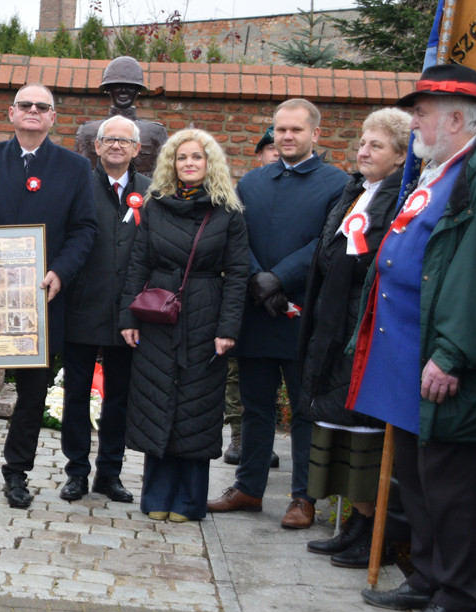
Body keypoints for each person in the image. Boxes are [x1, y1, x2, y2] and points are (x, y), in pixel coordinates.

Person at [351, 65, 476, 612]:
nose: (413, 120)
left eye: (422, 112)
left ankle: (458, 602)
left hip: (445, 362)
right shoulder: (441, 170)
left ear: (457, 118)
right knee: (416, 478)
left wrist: (452, 353)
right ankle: (428, 578)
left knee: (451, 486)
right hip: (408, 354)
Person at [0, 84, 96, 508]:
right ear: (11, 113)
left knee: (31, 392)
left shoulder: (73, 167)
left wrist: (59, 273)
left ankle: (17, 473)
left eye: (42, 107)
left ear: (53, 117)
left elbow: (86, 228)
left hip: (42, 298)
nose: (33, 111)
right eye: (26, 105)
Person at [208, 98, 350, 530]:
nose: (286, 137)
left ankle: (303, 497)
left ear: (315, 135)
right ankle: (249, 486)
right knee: (255, 406)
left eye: (296, 130)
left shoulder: (337, 184)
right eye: (280, 130)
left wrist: (279, 278)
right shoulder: (252, 182)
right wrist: (257, 279)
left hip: (302, 314)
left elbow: (327, 243)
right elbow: (237, 236)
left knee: (304, 408)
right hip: (257, 310)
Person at [118, 129, 249, 522]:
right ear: (171, 164)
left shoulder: (228, 212)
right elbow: (137, 263)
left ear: (210, 164)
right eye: (181, 157)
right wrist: (128, 316)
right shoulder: (155, 206)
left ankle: (189, 501)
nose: (188, 163)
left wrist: (227, 328)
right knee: (157, 400)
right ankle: (156, 496)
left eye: (197, 157)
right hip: (158, 313)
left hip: (205, 314)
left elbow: (239, 273)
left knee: (196, 407)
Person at [298, 108, 409, 569]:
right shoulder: (355, 192)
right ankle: (355, 526)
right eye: (363, 142)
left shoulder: (401, 200)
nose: (363, 151)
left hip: (364, 333)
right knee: (338, 430)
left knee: (363, 435)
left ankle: (375, 532)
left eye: (376, 145)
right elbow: (329, 253)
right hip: (333, 326)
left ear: (402, 155)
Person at [60, 115, 150, 504]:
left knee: (120, 397)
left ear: (136, 150)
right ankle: (76, 472)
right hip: (82, 306)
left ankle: (109, 473)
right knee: (76, 394)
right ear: (95, 147)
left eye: (124, 141)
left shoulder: (151, 190)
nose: (116, 146)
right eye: (108, 139)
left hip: (131, 314)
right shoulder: (77, 186)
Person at [224, 124, 280, 467]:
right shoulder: (246, 190)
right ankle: (238, 436)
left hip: (285, 295)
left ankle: (264, 440)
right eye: (269, 148)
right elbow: (235, 238)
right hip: (245, 289)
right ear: (259, 155)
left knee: (272, 377)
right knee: (237, 372)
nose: (275, 152)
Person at [73, 56, 168, 176]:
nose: (123, 91)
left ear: (137, 90)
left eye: (130, 87)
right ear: (108, 89)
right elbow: (78, 174)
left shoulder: (156, 132)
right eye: (118, 86)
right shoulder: (87, 131)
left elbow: (164, 175)